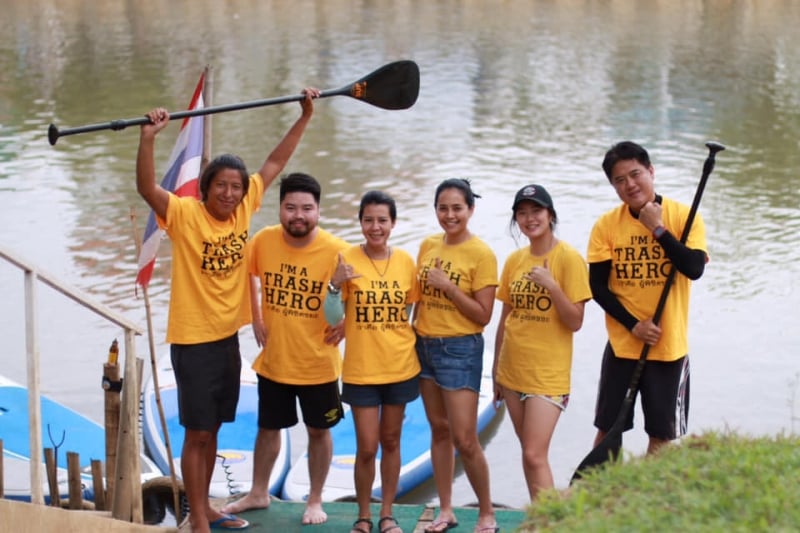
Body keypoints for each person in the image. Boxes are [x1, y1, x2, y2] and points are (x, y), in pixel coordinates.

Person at [135, 89, 318, 532]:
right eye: (222, 186)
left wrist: (305, 115)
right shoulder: (183, 214)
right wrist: (148, 139)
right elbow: (145, 188)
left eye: (237, 187)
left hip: (225, 342)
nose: (231, 194)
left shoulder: (242, 211)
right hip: (193, 341)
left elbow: (274, 163)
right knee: (196, 433)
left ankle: (208, 508)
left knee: (213, 430)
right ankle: (197, 516)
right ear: (206, 188)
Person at [220, 172, 349, 526]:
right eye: (290, 207)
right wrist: (255, 316)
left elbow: (358, 296)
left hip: (317, 362)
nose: (298, 215)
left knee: (318, 432)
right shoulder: (263, 240)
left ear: (318, 211)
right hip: (275, 359)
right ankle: (259, 492)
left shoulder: (337, 251)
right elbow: (247, 271)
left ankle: (316, 498)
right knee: (267, 428)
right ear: (280, 209)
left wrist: (347, 323)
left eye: (306, 208)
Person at [587, 141, 708, 457]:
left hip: (668, 350)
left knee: (661, 436)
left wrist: (658, 230)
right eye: (619, 180)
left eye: (635, 174)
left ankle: (653, 502)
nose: (629, 184)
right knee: (608, 429)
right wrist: (633, 326)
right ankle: (599, 500)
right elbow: (597, 287)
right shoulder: (606, 225)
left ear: (651, 171)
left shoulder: (683, 216)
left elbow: (694, 268)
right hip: (623, 346)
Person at [322, 191, 421, 533]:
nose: (375, 227)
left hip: (400, 366)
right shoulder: (346, 259)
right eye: (368, 220)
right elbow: (333, 315)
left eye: (382, 220)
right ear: (360, 222)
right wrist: (335, 286)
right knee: (367, 445)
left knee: (391, 440)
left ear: (393, 223)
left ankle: (387, 514)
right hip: (362, 369)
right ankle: (363, 515)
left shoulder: (407, 262)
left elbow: (408, 312)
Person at [492, 184, 591, 501]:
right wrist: (495, 369)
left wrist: (552, 287)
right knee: (529, 454)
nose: (529, 218)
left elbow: (575, 321)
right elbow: (505, 318)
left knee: (535, 454)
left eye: (536, 211)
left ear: (550, 215)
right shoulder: (514, 260)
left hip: (547, 375)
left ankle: (554, 519)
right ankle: (542, 516)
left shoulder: (569, 259)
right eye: (522, 213)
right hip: (511, 371)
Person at [414, 178, 498, 533]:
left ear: (470, 210)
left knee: (465, 438)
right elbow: (417, 298)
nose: (450, 215)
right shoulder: (428, 245)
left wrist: (448, 287)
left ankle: (486, 513)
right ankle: (446, 509)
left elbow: (483, 315)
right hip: (424, 346)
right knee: (439, 430)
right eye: (443, 208)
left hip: (460, 348)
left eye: (457, 208)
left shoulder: (482, 254)